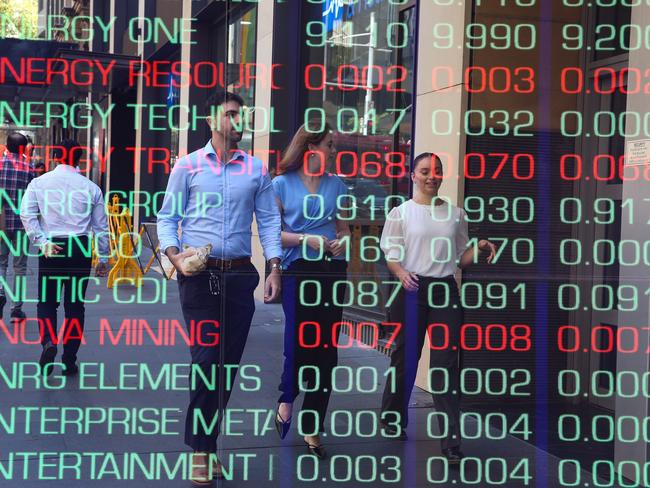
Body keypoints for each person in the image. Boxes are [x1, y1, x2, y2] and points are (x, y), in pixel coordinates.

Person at [157, 90, 282, 485]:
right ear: (211, 121)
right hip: (198, 276)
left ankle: (208, 445)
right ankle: (200, 451)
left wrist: (275, 267)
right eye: (230, 115)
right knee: (208, 361)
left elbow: (269, 224)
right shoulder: (188, 166)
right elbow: (166, 218)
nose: (237, 122)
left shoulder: (257, 170)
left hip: (240, 276)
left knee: (226, 369)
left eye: (240, 115)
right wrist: (175, 256)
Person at [379, 152, 497, 464]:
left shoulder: (456, 215)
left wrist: (479, 247)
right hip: (413, 287)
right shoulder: (400, 213)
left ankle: (451, 443)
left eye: (437, 171)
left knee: (446, 365)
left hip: (445, 289)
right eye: (425, 171)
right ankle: (392, 418)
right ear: (413, 175)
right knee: (405, 358)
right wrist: (401, 273)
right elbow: (391, 255)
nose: (432, 176)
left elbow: (461, 258)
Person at [272, 120, 351, 459]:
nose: (334, 150)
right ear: (311, 148)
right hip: (298, 270)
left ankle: (314, 426)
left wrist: (339, 245)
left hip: (332, 271)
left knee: (326, 351)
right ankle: (287, 396)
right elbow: (272, 235)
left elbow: (345, 231)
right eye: (330, 144)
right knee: (300, 342)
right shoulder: (280, 184)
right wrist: (309, 239)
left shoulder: (338, 186)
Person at [20, 139, 110, 377]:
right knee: (75, 307)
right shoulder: (91, 187)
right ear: (79, 159)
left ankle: (48, 341)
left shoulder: (39, 183)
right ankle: (69, 360)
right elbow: (101, 227)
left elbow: (26, 214)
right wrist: (103, 258)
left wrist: (41, 242)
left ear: (57, 156)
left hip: (52, 247)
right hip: (79, 248)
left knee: (47, 302)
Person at [0, 132, 35, 319]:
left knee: (1, 262)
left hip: (1, 223)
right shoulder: (29, 168)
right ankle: (16, 309)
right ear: (23, 149)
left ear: (6, 146)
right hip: (22, 224)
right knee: (20, 267)